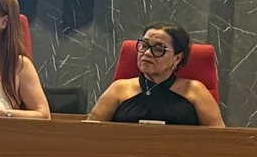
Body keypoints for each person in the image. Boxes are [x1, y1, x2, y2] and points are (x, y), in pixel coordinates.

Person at [88, 23, 224, 127]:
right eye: (144, 45)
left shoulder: (195, 91)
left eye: (159, 49)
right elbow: (90, 131)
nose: (147, 53)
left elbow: (219, 138)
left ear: (177, 58)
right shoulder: (119, 89)